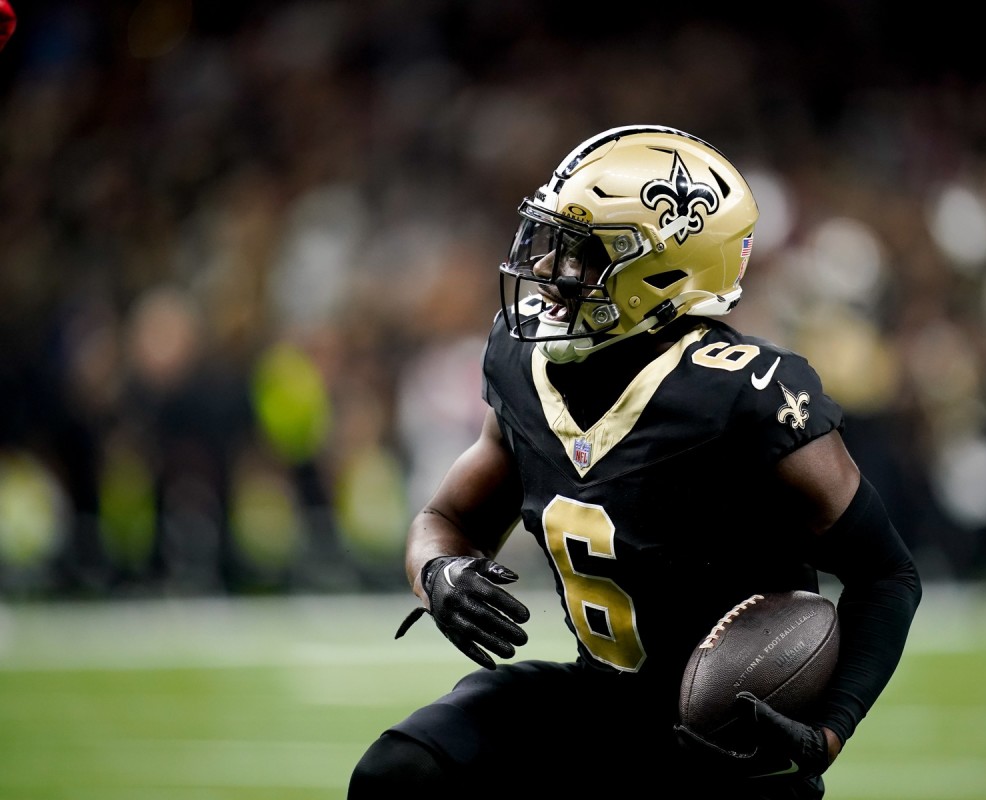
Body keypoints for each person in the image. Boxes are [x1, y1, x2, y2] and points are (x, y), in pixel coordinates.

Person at [348, 125, 922, 799]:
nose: (555, 274)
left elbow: (885, 573)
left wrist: (826, 732)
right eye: (554, 244)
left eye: (584, 256)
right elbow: (446, 516)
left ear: (666, 271)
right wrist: (438, 569)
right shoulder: (522, 361)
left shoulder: (742, 394)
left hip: (725, 735)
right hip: (598, 697)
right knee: (401, 773)